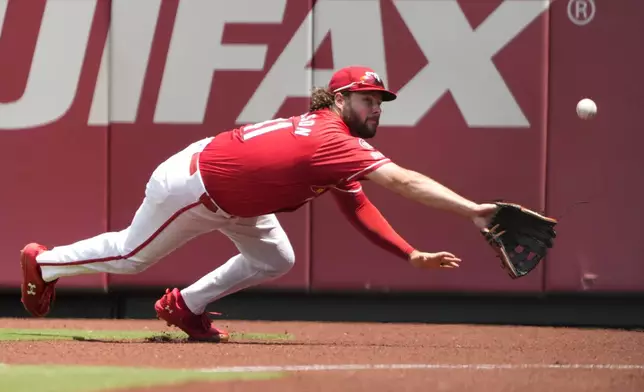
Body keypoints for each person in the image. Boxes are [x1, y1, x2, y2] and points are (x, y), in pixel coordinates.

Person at [20, 65, 498, 342]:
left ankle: (185, 305)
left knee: (275, 257)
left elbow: (357, 205)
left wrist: (408, 253)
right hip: (194, 187)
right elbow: (405, 181)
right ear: (338, 98)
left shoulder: (333, 142)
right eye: (366, 98)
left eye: (379, 100)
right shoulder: (330, 140)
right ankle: (43, 264)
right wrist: (474, 210)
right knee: (130, 256)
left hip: (234, 195)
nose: (375, 107)